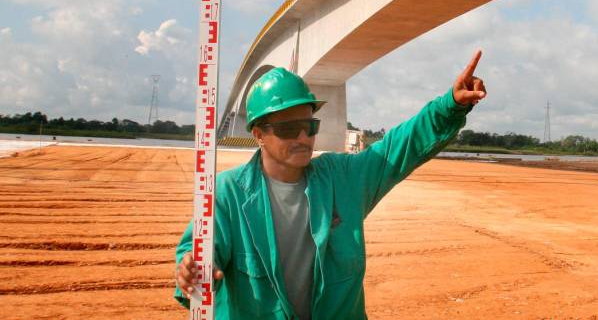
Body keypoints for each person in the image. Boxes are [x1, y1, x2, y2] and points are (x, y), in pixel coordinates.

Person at [175, 50, 487, 319]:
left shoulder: (342, 178)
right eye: (288, 129)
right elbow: (198, 251)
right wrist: (190, 269)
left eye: (309, 126)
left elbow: (398, 147)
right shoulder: (227, 193)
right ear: (258, 134)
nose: (302, 138)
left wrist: (451, 106)